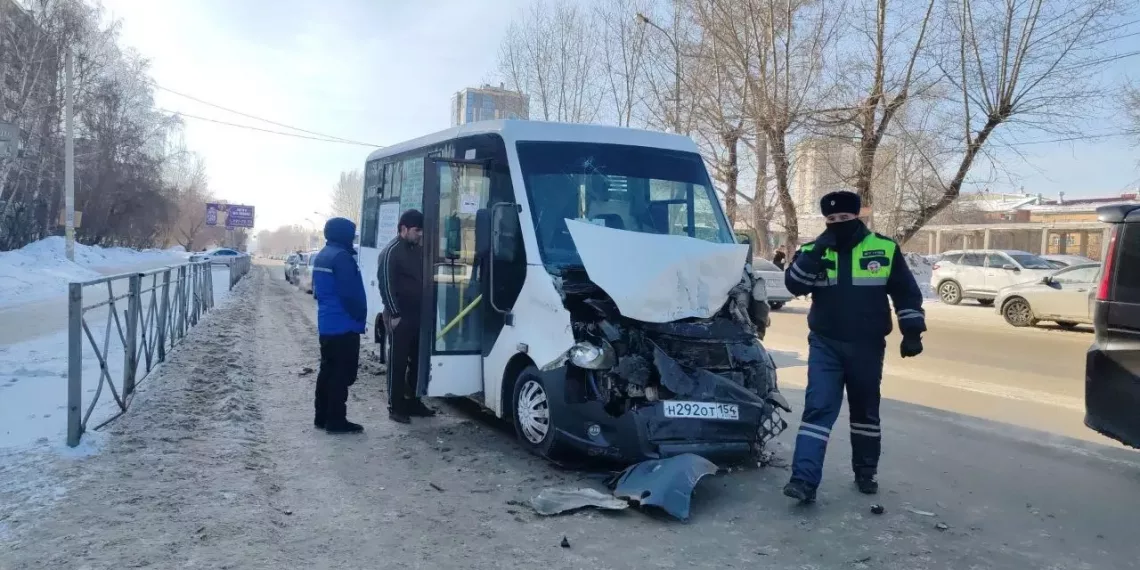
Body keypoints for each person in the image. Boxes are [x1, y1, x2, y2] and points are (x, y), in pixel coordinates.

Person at [781, 191, 926, 503]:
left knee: (864, 412)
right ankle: (803, 481)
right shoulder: (814, 250)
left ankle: (865, 471)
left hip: (867, 346)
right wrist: (817, 250)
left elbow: (906, 292)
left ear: (856, 216)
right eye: (831, 220)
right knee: (818, 408)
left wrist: (912, 330)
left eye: (843, 218)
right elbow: (794, 285)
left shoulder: (883, 248)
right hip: (825, 345)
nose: (837, 224)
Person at [376, 209, 434, 424]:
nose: (420, 235)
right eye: (417, 230)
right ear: (403, 229)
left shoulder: (418, 250)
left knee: (418, 361)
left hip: (419, 316)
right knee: (398, 363)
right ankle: (396, 405)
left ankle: (414, 401)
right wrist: (395, 313)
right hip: (400, 316)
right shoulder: (391, 251)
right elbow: (386, 285)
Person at [312, 217, 368, 434]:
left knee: (327, 370)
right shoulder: (342, 258)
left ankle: (322, 416)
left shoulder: (323, 255)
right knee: (341, 375)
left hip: (327, 323)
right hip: (344, 324)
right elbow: (350, 294)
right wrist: (359, 316)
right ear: (344, 235)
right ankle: (336, 420)